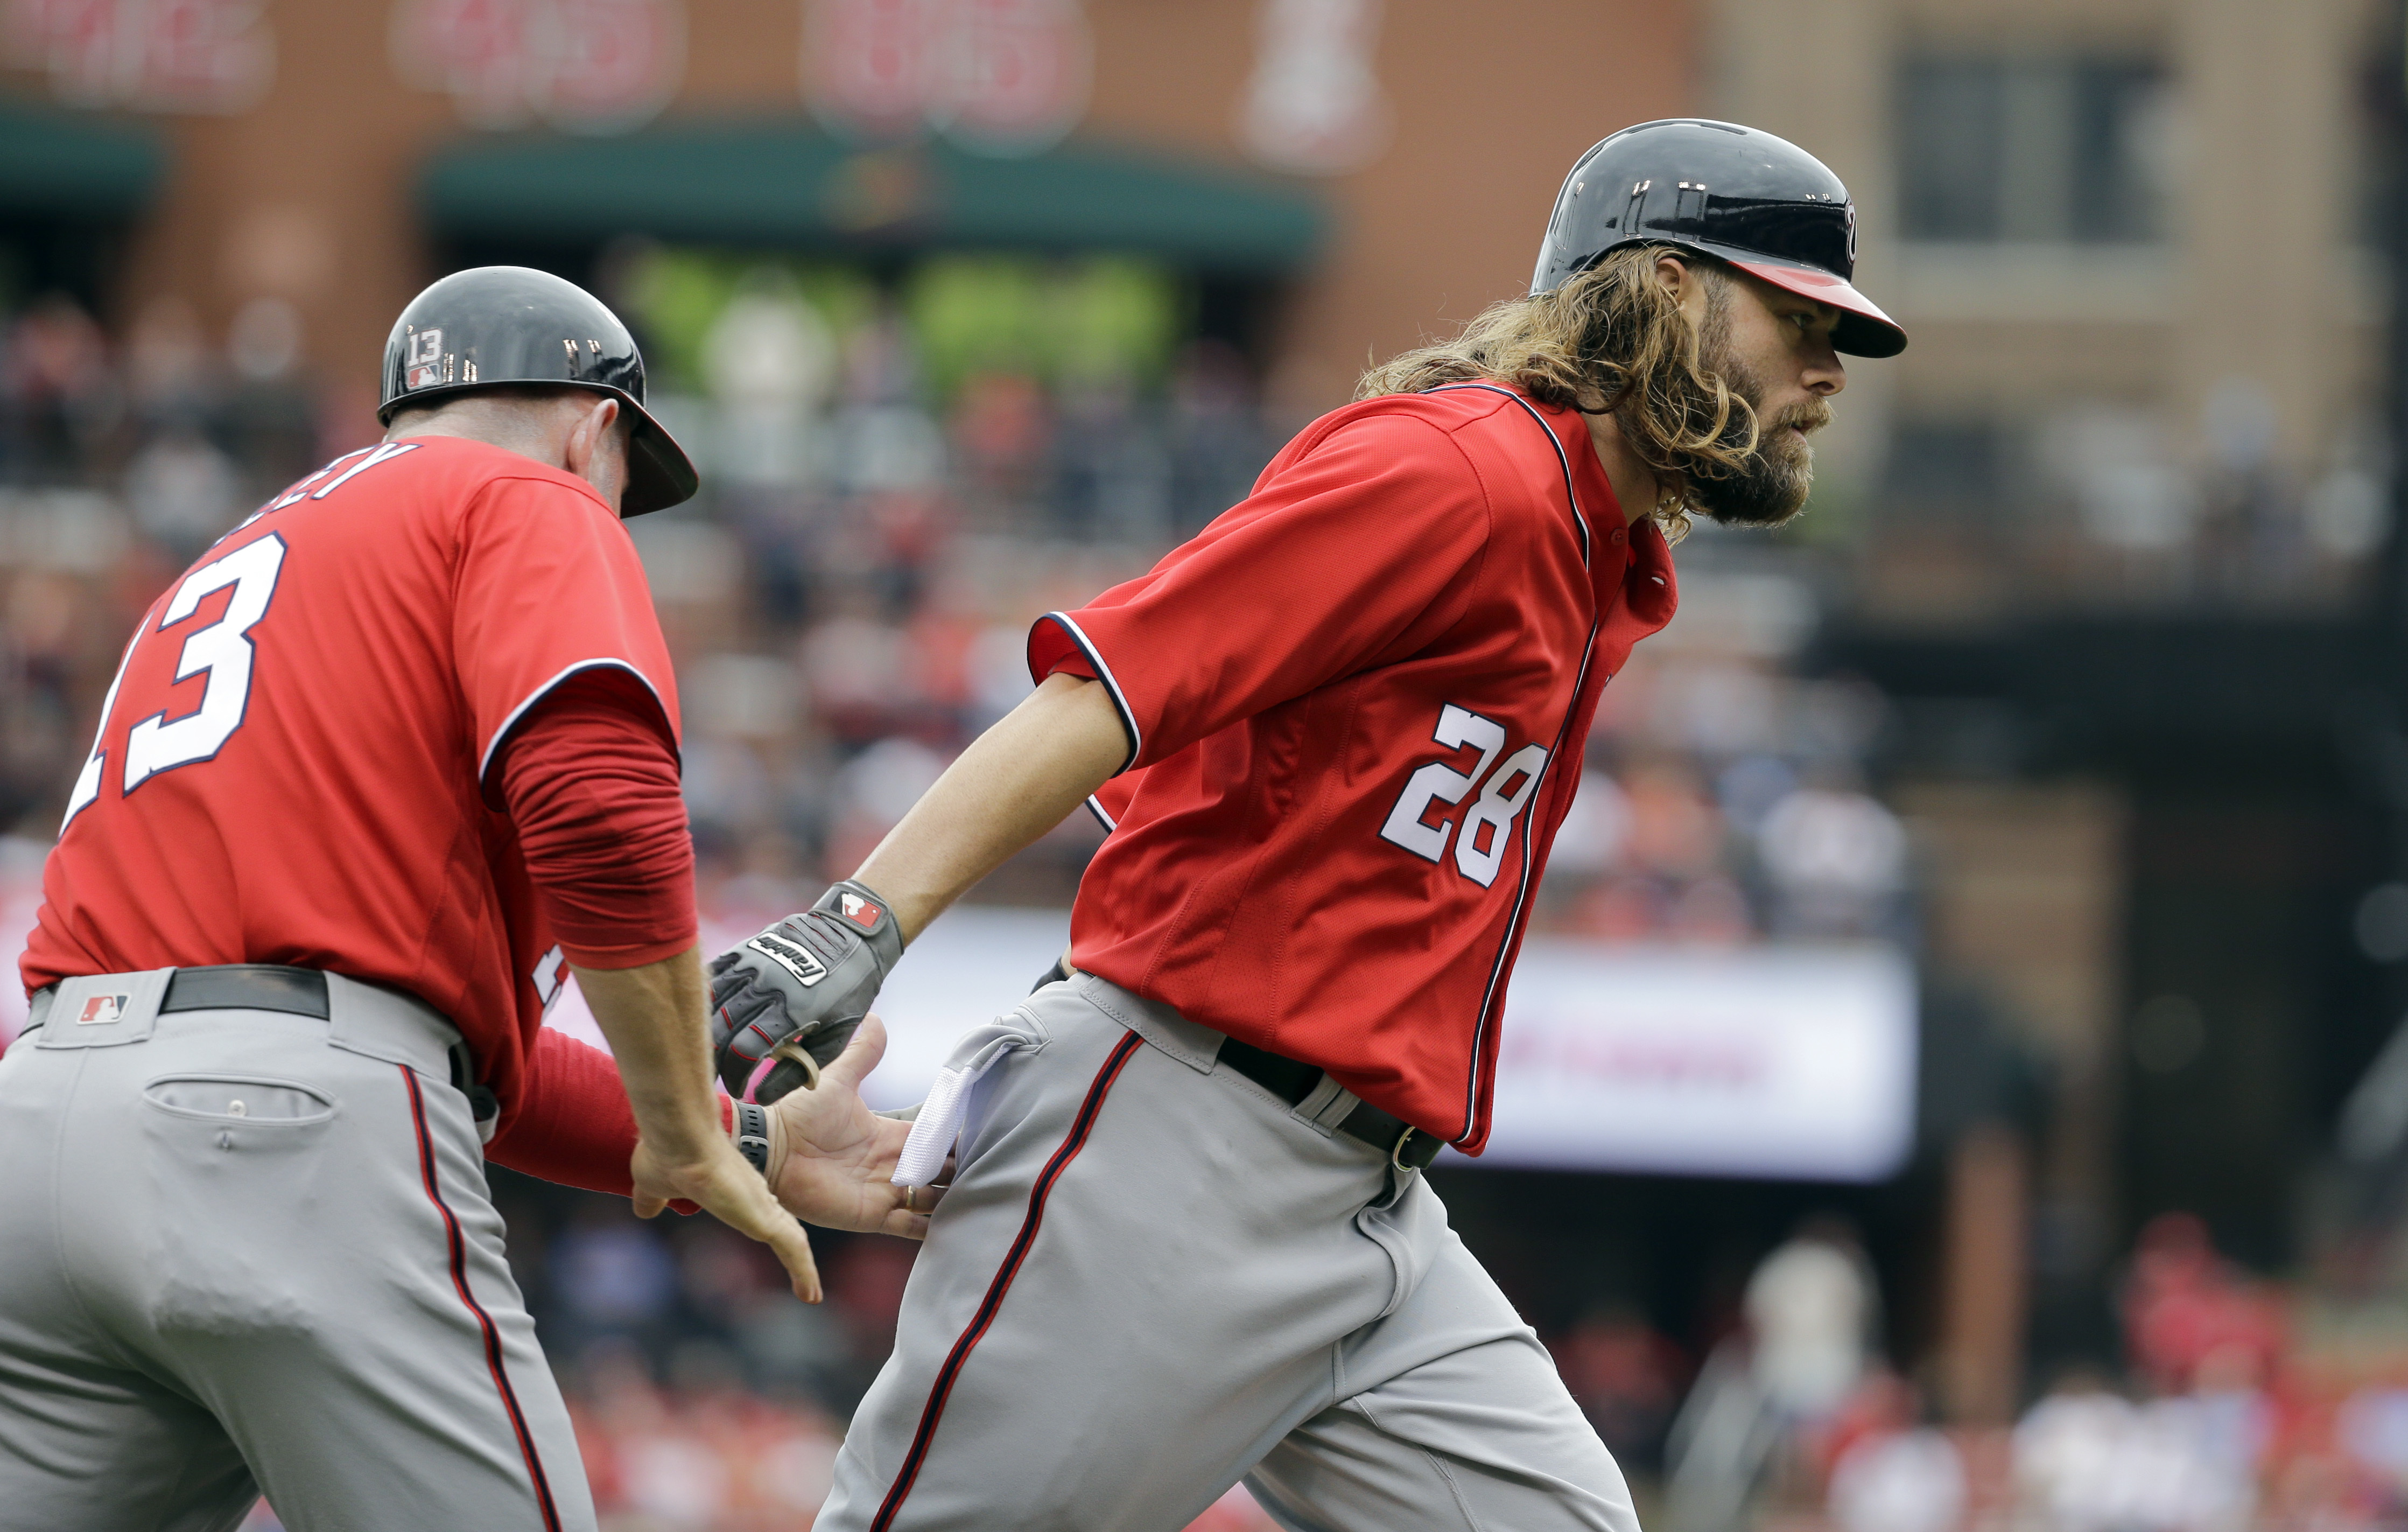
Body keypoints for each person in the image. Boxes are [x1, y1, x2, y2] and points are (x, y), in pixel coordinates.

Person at [701, 118, 1908, 1529]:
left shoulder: (1598, 548)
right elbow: (1111, 685)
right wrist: (863, 917)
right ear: (1670, 288)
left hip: (1372, 1207)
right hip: (1177, 1140)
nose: (1828, 369)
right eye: (1797, 313)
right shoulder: (1469, 470)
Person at [0, 267, 921, 1532]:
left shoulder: (225, 564)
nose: (613, 508)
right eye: (619, 476)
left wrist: (735, 1138)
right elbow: (599, 815)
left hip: (43, 1129)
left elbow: (452, 1049)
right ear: (590, 423)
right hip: (275, 1136)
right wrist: (685, 1120)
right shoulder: (522, 492)